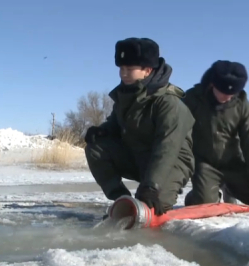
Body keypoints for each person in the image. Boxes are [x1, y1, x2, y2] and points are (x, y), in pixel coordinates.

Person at [84, 37, 195, 216]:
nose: (123, 73)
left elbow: (167, 149)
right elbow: (116, 124)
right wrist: (102, 130)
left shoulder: (169, 103)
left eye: (129, 69)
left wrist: (152, 186)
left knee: (149, 208)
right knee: (95, 148)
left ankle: (148, 197)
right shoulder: (125, 96)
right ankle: (122, 199)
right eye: (121, 68)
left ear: (147, 70)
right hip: (138, 156)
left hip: (171, 163)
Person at [182, 60, 249, 209]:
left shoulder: (242, 105)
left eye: (232, 94)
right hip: (205, 163)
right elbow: (179, 134)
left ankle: (229, 187)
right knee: (206, 205)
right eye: (223, 92)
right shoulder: (192, 99)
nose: (227, 97)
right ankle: (196, 195)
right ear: (213, 84)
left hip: (233, 163)